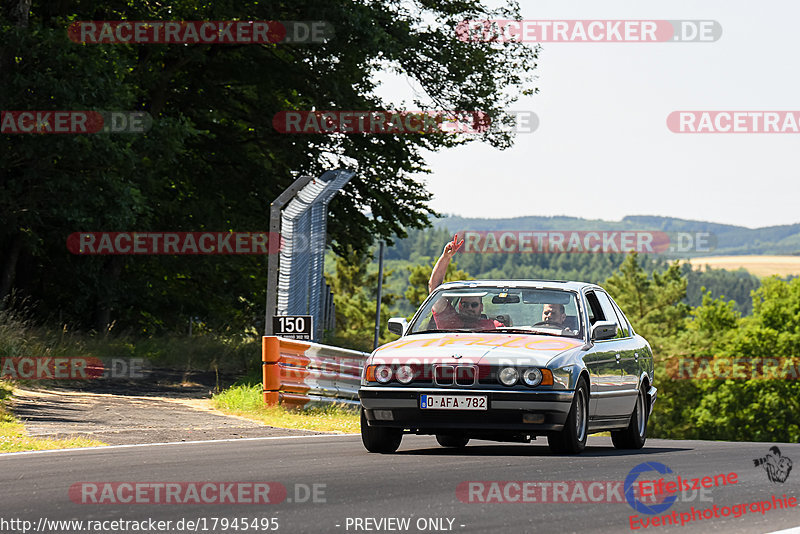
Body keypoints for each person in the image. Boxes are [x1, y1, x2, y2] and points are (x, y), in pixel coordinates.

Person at [428, 235, 499, 330]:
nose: (469, 308)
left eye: (474, 305)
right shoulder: (449, 320)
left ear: (481, 307)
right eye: (465, 304)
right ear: (460, 306)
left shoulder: (494, 326)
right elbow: (434, 289)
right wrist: (446, 257)